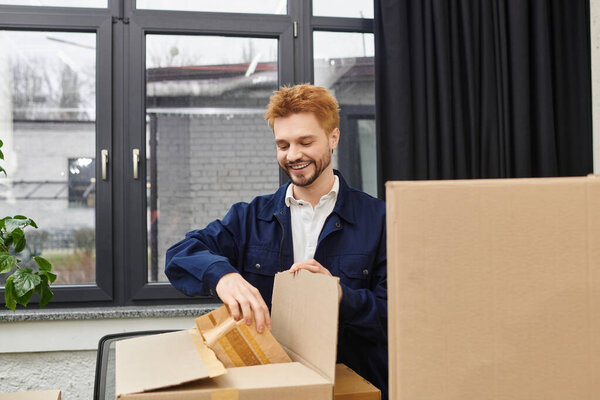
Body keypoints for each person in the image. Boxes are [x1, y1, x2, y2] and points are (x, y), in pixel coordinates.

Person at [165, 83, 388, 399]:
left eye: (305, 142)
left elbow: (397, 319)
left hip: (355, 388)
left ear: (333, 137)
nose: (293, 155)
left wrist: (340, 296)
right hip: (271, 388)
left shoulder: (380, 220)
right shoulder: (250, 218)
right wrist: (223, 276)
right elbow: (180, 255)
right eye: (282, 145)